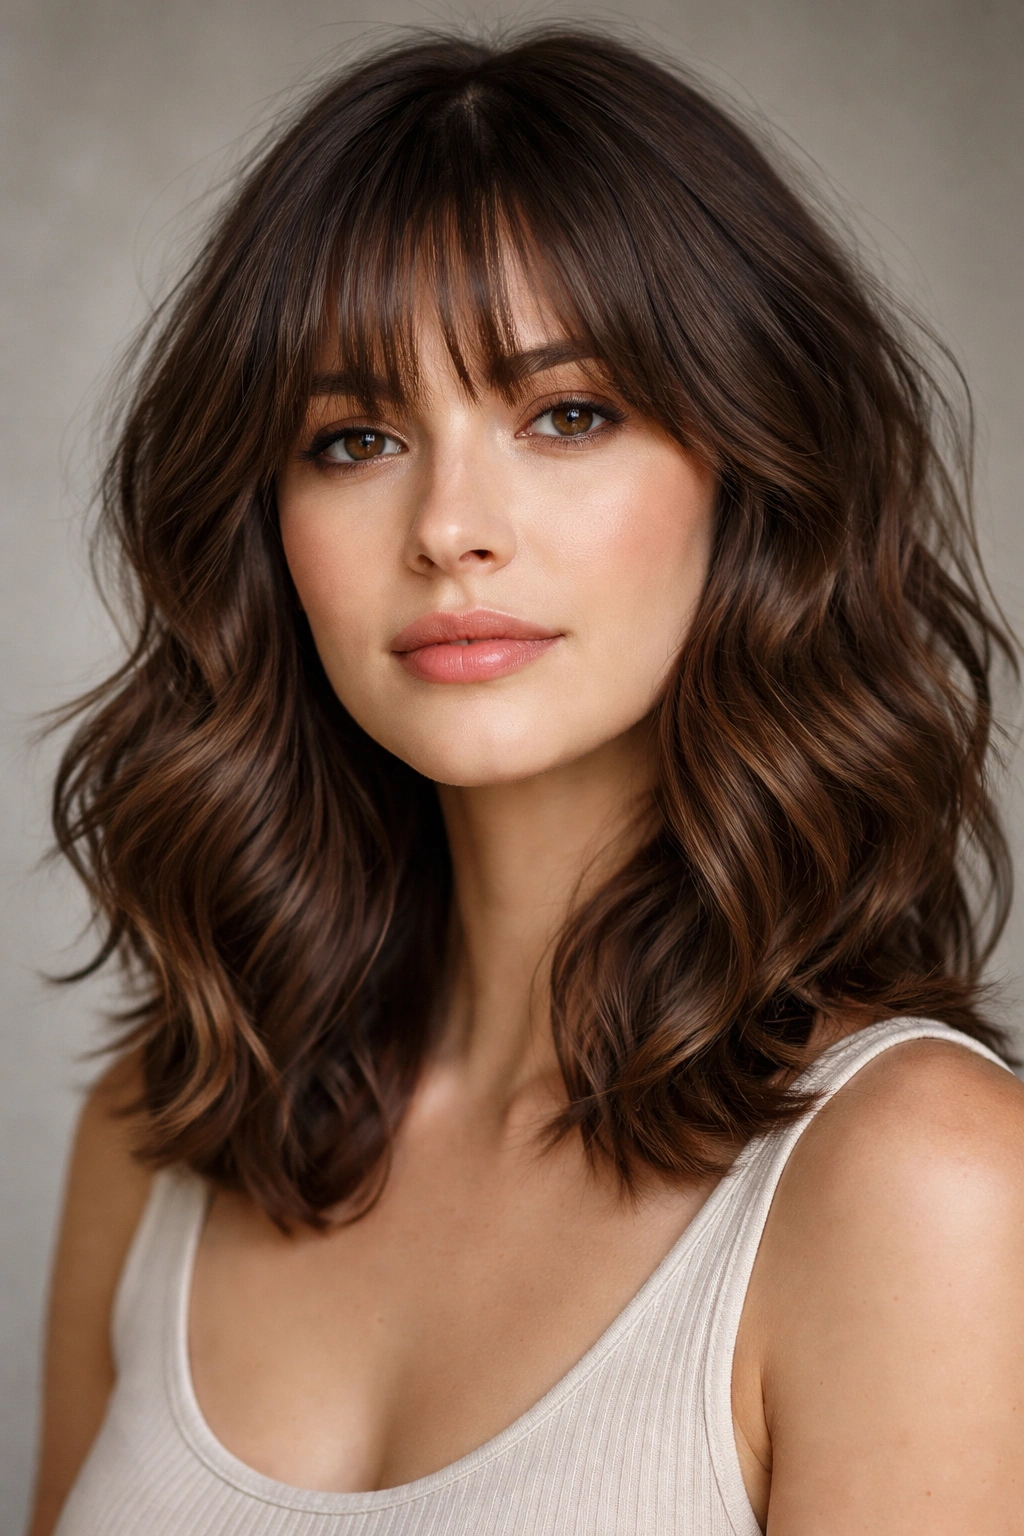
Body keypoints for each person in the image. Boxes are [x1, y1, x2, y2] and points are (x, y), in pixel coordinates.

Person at [28, 26, 1024, 1536]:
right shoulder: (161, 1128)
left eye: (567, 414)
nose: (451, 526)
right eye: (354, 436)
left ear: (750, 477)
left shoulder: (922, 1187)